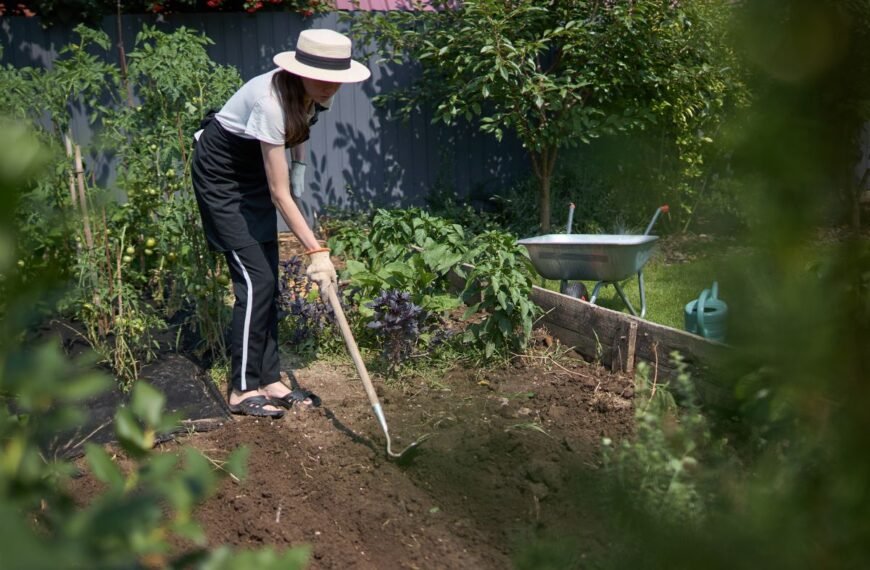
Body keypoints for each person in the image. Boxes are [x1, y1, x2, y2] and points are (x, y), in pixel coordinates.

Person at [191, 29, 371, 418]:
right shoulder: (269, 102)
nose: (330, 88)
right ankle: (241, 388)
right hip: (222, 178)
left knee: (269, 277)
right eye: (323, 79)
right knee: (255, 282)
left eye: (336, 81)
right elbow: (279, 194)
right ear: (301, 70)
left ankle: (269, 378)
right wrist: (317, 251)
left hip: (252, 170)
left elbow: (300, 124)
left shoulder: (313, 92)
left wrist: (300, 163)